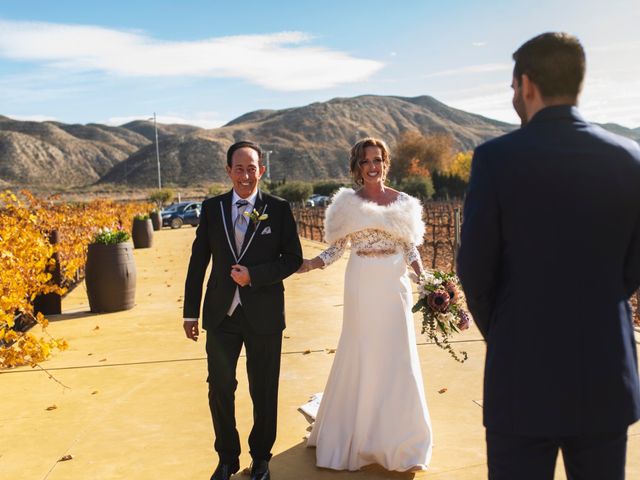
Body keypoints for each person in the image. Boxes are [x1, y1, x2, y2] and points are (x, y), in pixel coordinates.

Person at [457, 32, 640, 480]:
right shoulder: (629, 157)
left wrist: (504, 330)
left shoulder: (496, 159)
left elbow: (476, 271)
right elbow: (634, 265)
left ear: (527, 84)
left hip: (521, 373)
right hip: (604, 372)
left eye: (512, 85)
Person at [297, 137, 433, 471]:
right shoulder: (346, 203)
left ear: (385, 163)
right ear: (357, 167)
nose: (372, 166)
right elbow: (336, 248)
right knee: (361, 350)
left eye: (377, 160)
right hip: (360, 281)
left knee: (397, 354)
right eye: (365, 161)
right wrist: (312, 263)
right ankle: (355, 435)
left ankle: (401, 441)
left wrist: (424, 277)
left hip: (393, 283)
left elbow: (410, 248)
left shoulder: (404, 203)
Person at [183, 141, 303, 480]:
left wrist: (255, 276)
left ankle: (262, 458)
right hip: (221, 315)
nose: (246, 175)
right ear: (228, 171)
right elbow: (197, 264)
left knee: (263, 389)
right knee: (219, 386)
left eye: (252, 168)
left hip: (264, 315)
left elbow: (292, 258)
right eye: (239, 168)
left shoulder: (278, 209)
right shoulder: (212, 208)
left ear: (261, 170)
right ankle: (226, 458)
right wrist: (190, 313)